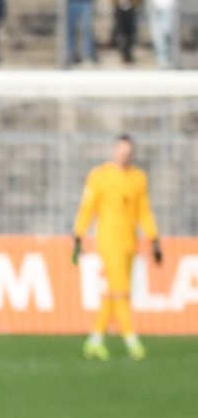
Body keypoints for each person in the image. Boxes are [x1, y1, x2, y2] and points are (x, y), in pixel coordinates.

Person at [73, 134, 161, 360]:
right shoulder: (100, 176)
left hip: (130, 242)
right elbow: (88, 206)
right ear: (114, 151)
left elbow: (144, 210)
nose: (125, 155)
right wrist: (79, 233)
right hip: (109, 241)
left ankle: (95, 340)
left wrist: (153, 237)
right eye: (121, 151)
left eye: (128, 152)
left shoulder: (138, 178)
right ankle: (131, 340)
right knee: (121, 290)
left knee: (113, 292)